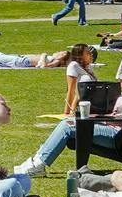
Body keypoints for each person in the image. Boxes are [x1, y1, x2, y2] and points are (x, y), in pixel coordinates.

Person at [7, 45, 100, 179]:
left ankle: (37, 163)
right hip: (83, 109)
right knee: (65, 124)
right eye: (87, 53)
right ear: (80, 54)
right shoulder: (73, 66)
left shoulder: (89, 68)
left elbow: (84, 93)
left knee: (65, 127)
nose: (90, 55)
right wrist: (67, 111)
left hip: (91, 111)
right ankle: (37, 161)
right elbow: (72, 90)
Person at [0, 47, 74, 70]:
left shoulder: (56, 61)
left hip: (22, 62)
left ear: (62, 57)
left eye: (61, 52)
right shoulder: (54, 58)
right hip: (22, 59)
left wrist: (43, 56)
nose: (59, 52)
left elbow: (43, 67)